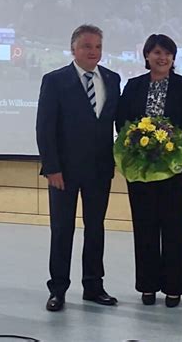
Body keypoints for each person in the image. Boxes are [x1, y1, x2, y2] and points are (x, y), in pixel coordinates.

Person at [36, 24, 120, 312]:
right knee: (62, 230)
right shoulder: (55, 80)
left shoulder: (112, 78)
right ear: (73, 49)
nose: (93, 52)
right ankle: (58, 289)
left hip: (99, 169)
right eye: (87, 46)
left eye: (97, 46)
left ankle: (94, 286)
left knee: (95, 228)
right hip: (64, 172)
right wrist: (52, 168)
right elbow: (45, 128)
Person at [116, 34, 182, 308]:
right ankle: (148, 286)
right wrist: (141, 143)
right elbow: (122, 122)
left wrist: (166, 144)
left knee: (174, 227)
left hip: (174, 169)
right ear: (147, 56)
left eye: (167, 53)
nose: (161, 58)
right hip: (141, 169)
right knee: (145, 227)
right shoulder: (134, 85)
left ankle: (174, 288)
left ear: (173, 58)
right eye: (156, 53)